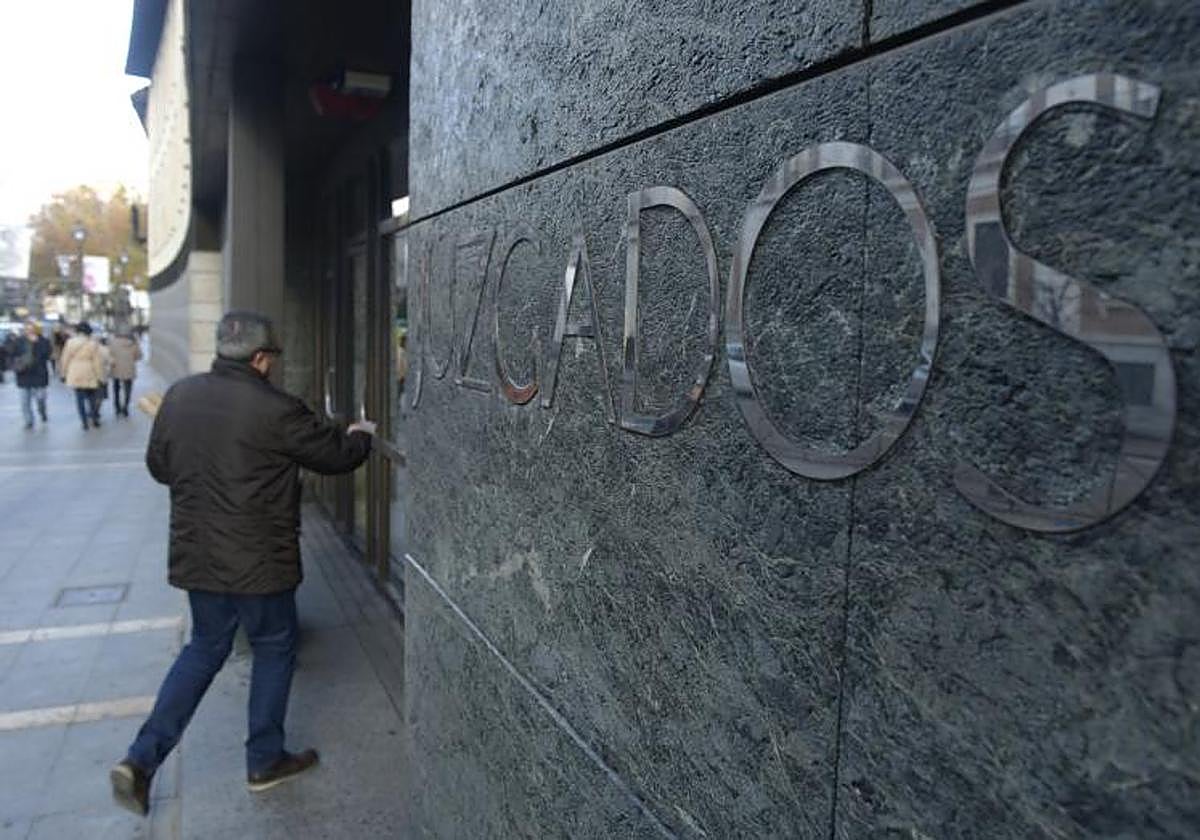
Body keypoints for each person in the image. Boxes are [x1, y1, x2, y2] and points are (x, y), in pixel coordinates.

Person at [110, 310, 377, 817]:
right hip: (261, 563)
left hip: (200, 557)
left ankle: (140, 760)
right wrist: (361, 433)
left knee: (203, 649)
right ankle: (264, 759)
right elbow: (337, 457)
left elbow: (159, 467)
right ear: (259, 358)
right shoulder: (276, 408)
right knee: (274, 647)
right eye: (271, 356)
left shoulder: (180, 397)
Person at [59, 321, 106, 429]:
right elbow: (97, 362)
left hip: (75, 371)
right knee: (92, 397)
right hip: (89, 370)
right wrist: (100, 377)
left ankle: (84, 422)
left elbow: (65, 359)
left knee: (79, 398)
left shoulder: (70, 343)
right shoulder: (93, 343)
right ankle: (94, 418)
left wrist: (63, 374)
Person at [12, 321, 52, 429]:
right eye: (27, 329)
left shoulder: (43, 341)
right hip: (23, 374)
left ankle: (42, 412)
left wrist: (36, 343)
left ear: (36, 330)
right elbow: (13, 354)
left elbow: (47, 355)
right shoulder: (19, 341)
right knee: (25, 401)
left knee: (40, 398)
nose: (29, 331)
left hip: (39, 374)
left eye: (31, 329)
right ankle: (28, 421)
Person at [108, 331, 142, 417]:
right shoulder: (133, 342)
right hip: (129, 368)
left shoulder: (112, 341)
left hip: (116, 368)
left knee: (116, 388)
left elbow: (109, 354)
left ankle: (117, 407)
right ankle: (125, 407)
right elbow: (139, 356)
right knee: (128, 389)